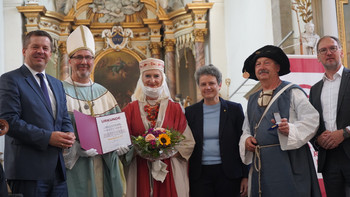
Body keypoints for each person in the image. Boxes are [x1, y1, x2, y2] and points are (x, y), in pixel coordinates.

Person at [0, 30, 75, 197]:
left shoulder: (56, 84)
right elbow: (9, 121)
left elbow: (63, 117)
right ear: (24, 51)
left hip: (57, 171)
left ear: (50, 53)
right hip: (28, 171)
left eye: (45, 48)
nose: (41, 51)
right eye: (35, 47)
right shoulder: (10, 79)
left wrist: (69, 133)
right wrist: (48, 137)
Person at [239, 45, 321, 197]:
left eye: (266, 63)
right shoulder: (252, 100)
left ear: (277, 67)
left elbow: (312, 119)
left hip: (290, 162)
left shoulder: (292, 92)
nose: (261, 67)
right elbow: (246, 130)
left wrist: (291, 129)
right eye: (258, 64)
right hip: (262, 164)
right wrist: (247, 140)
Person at [62, 25, 128, 197]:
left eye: (88, 57)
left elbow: (119, 131)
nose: (84, 62)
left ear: (93, 60)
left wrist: (121, 146)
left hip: (103, 166)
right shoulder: (58, 90)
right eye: (79, 57)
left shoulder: (104, 93)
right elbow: (52, 129)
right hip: (74, 169)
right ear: (70, 61)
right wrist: (74, 149)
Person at [122, 58, 195, 197]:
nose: (152, 80)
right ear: (141, 78)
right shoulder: (129, 110)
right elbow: (122, 143)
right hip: (140, 169)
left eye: (156, 76)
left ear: (163, 78)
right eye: (147, 76)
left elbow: (188, 142)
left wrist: (167, 152)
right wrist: (139, 150)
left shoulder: (175, 109)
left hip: (169, 169)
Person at [185, 64, 248, 197]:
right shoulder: (190, 112)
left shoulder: (234, 110)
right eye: (203, 84)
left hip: (229, 173)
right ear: (199, 87)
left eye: (211, 83)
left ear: (219, 85)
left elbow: (243, 142)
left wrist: (246, 175)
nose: (207, 87)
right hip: (200, 174)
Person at [309, 36, 350, 197]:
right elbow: (312, 123)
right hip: (329, 159)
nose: (329, 53)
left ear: (341, 51)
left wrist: (345, 132)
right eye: (323, 50)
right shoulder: (315, 89)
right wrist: (317, 140)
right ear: (318, 57)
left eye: (333, 48)